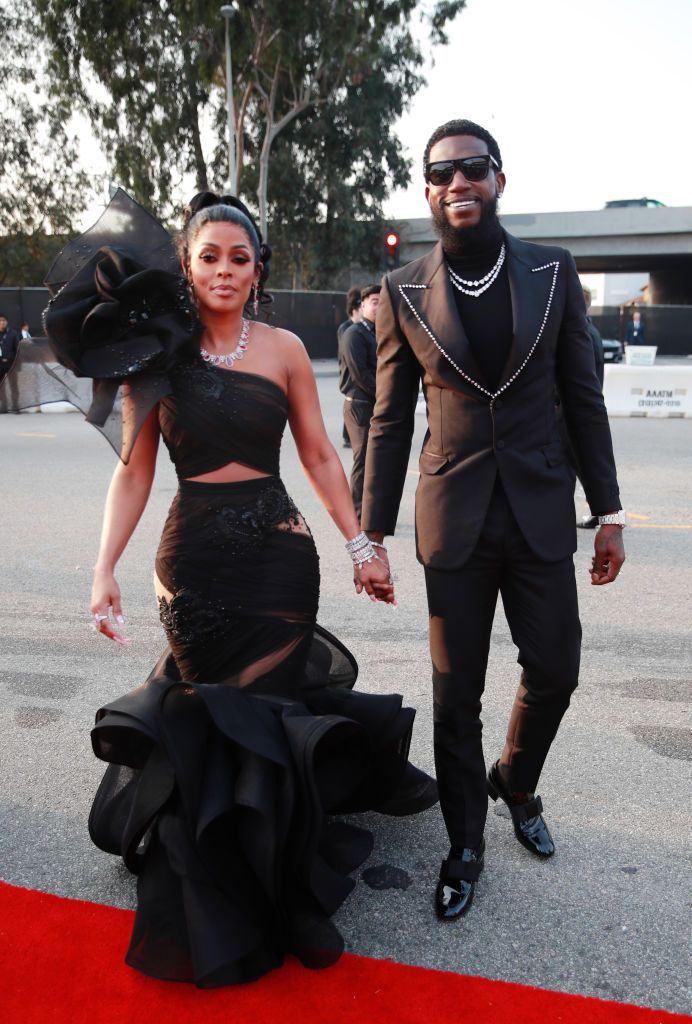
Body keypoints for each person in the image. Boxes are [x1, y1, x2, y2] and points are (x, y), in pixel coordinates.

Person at [39, 190, 437, 987]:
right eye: (209, 256)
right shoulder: (153, 352)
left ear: (258, 272)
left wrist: (361, 545)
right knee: (218, 720)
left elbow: (322, 457)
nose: (225, 270)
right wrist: (102, 567)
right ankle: (220, 896)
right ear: (187, 266)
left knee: (272, 717)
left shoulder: (286, 348)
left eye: (240, 257)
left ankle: (284, 891)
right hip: (192, 567)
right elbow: (135, 471)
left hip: (280, 563)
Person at [361, 119, 626, 921]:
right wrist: (368, 535)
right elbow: (388, 420)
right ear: (429, 190)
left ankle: (515, 777)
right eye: (440, 174)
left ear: (499, 179)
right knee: (454, 696)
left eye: (472, 168)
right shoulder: (403, 289)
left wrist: (607, 509)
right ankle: (466, 842)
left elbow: (583, 397)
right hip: (455, 520)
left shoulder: (553, 271)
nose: (456, 183)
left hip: (542, 509)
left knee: (556, 669)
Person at [338, 284, 380, 518]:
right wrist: (385, 395)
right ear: (362, 305)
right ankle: (356, 512)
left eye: (383, 302)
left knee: (375, 461)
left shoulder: (378, 332)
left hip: (374, 404)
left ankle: (371, 510)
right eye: (374, 302)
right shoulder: (354, 333)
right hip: (359, 405)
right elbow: (360, 374)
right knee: (363, 460)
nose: (379, 307)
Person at [575, 288, 605, 528]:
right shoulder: (590, 330)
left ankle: (601, 510)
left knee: (582, 466)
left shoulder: (582, 333)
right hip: (583, 411)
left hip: (575, 414)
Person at [336, 287, 362, 448]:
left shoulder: (362, 328)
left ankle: (348, 435)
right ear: (354, 310)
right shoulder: (346, 328)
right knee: (350, 402)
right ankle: (347, 435)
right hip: (347, 368)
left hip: (353, 368)